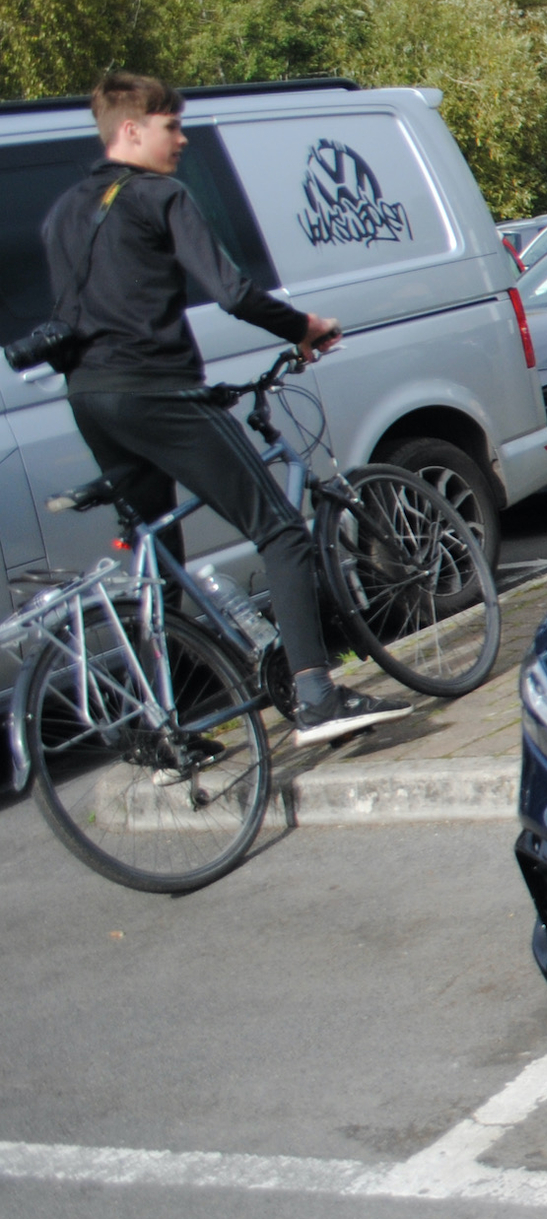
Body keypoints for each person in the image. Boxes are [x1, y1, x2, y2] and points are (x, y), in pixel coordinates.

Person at [39, 72, 410, 746]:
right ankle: (317, 694)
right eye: (170, 125)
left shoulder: (64, 211)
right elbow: (232, 291)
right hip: (157, 390)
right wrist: (303, 326)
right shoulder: (160, 195)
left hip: (92, 399)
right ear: (131, 130)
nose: (181, 138)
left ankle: (165, 725)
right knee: (281, 530)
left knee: (158, 552)